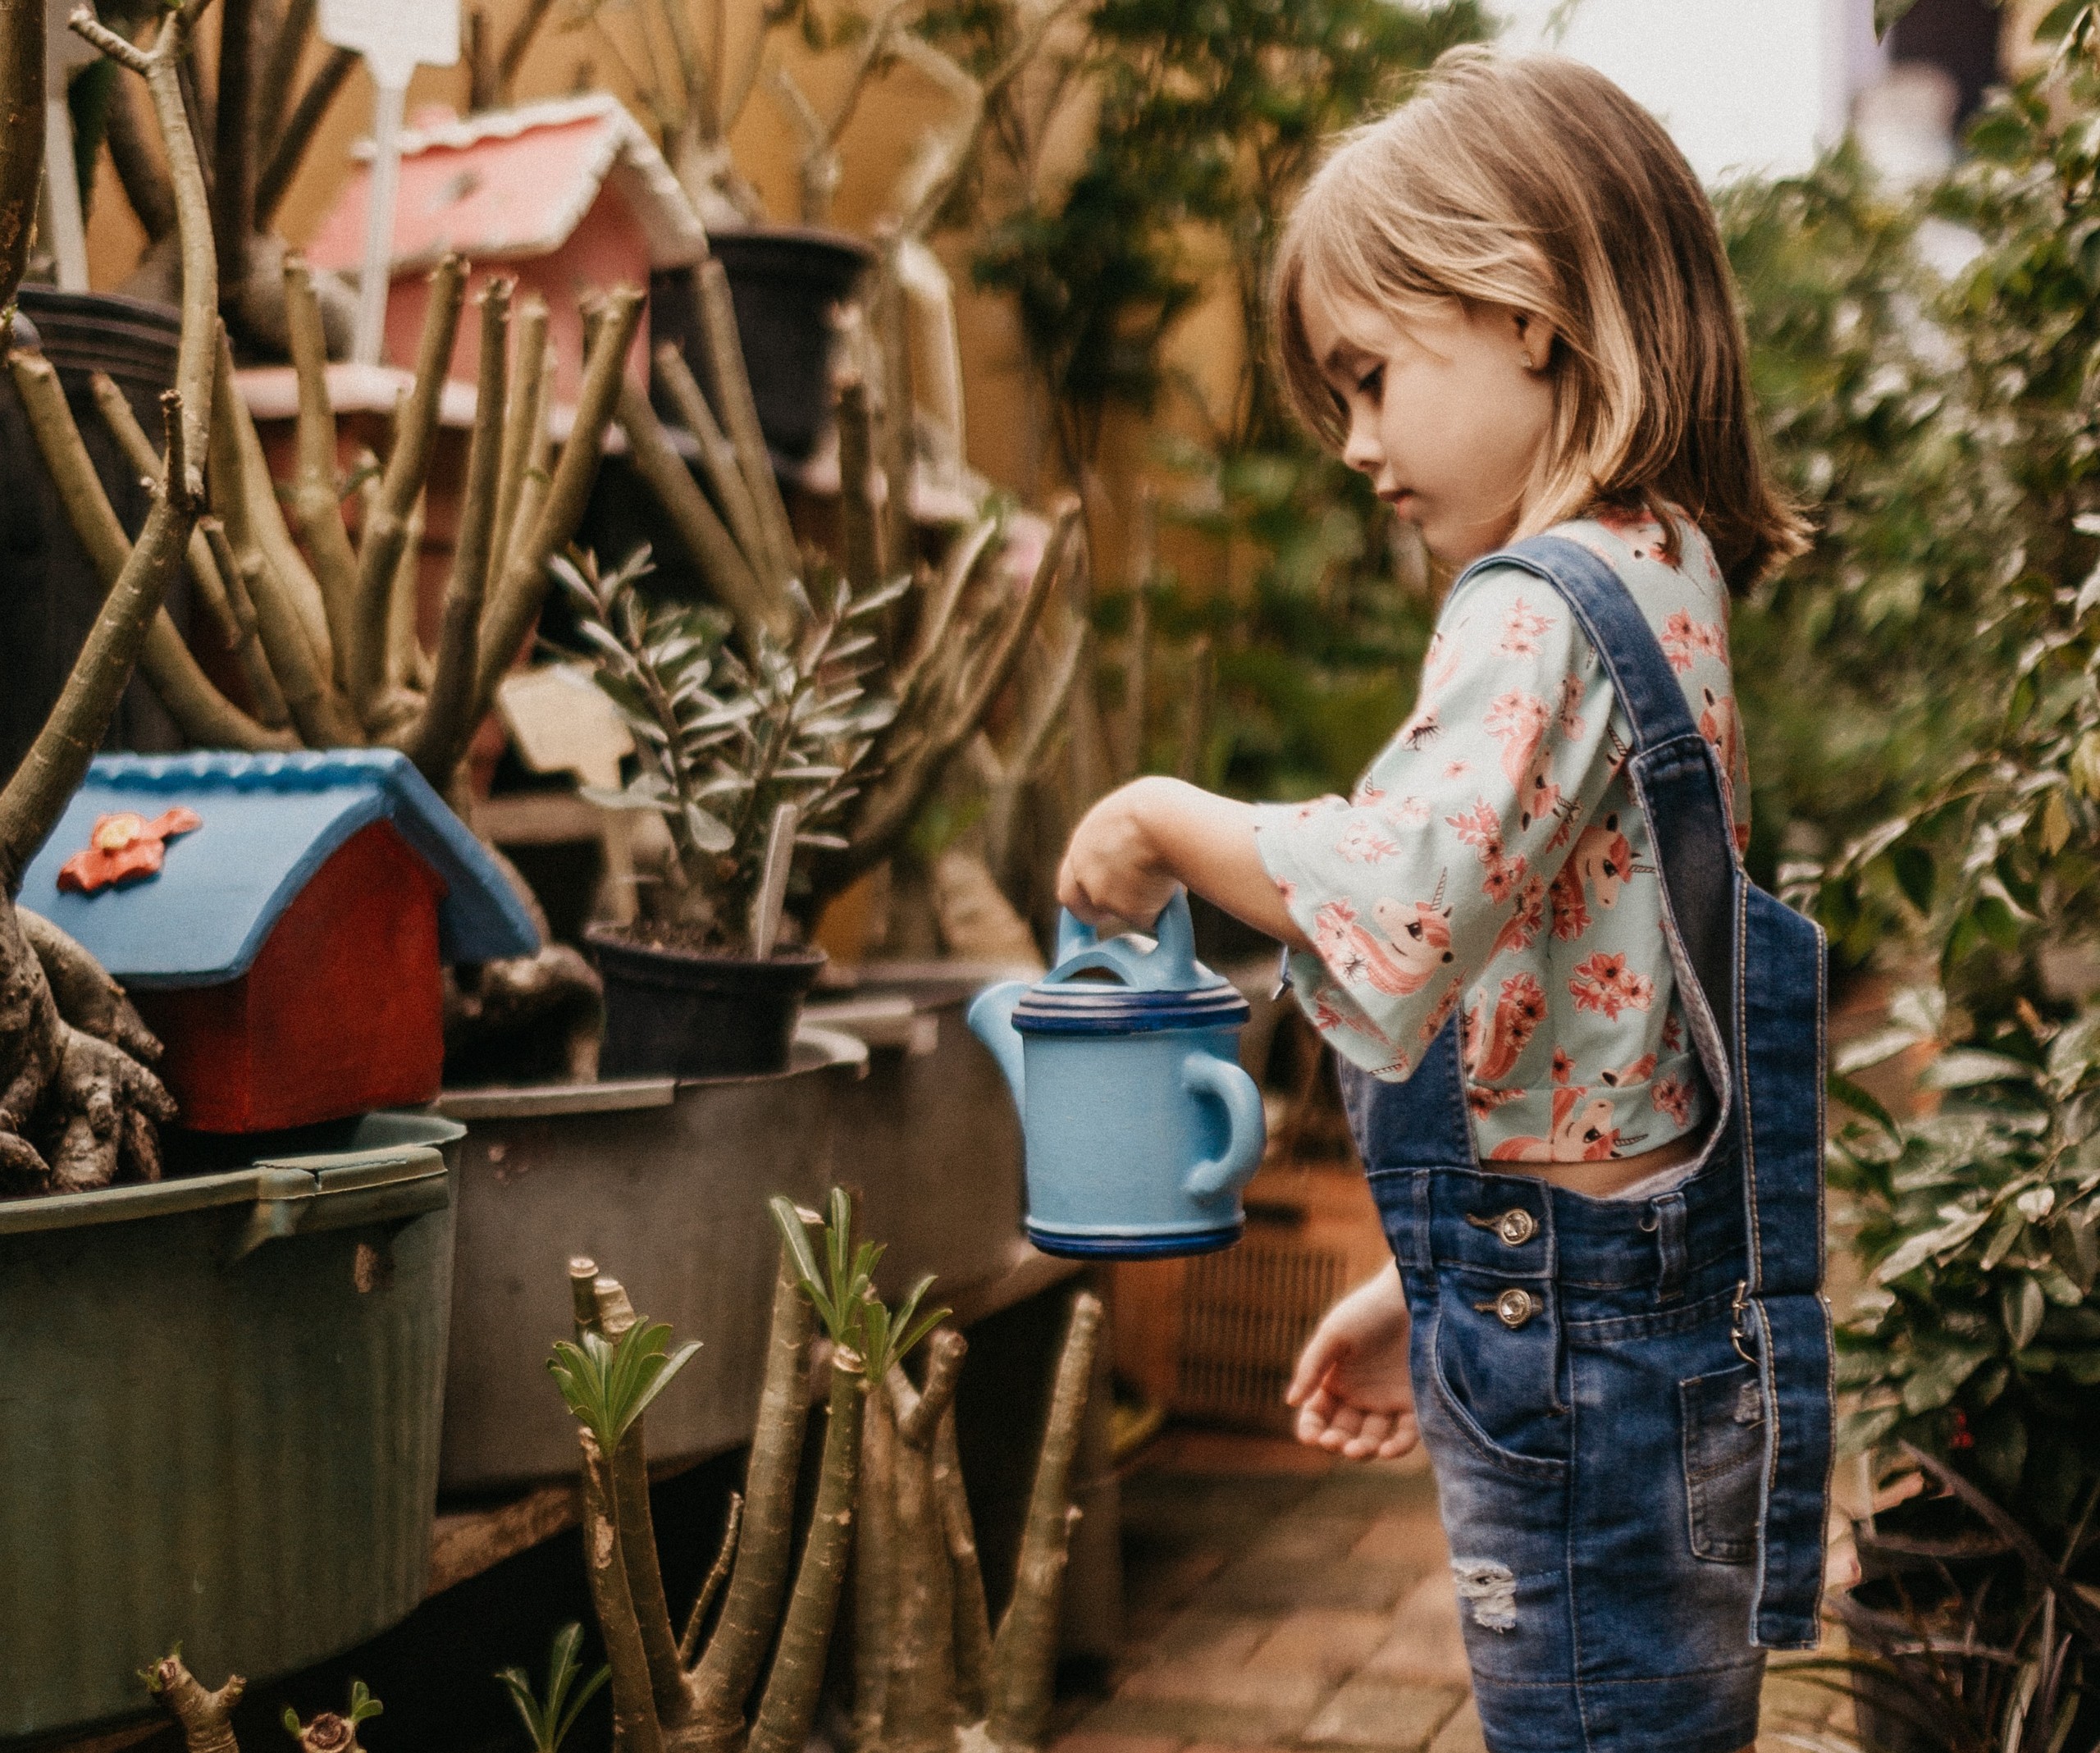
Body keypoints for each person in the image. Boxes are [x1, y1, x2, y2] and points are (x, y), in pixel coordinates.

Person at [1054, 48, 1832, 1753]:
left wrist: (1156, 816)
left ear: (1525, 314)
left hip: (1578, 1344)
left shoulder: (1533, 605)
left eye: (1368, 375)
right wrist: (1434, 1292)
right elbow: (1595, 1030)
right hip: (1637, 1309)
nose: (1351, 442)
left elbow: (1395, 908)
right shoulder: (1661, 570)